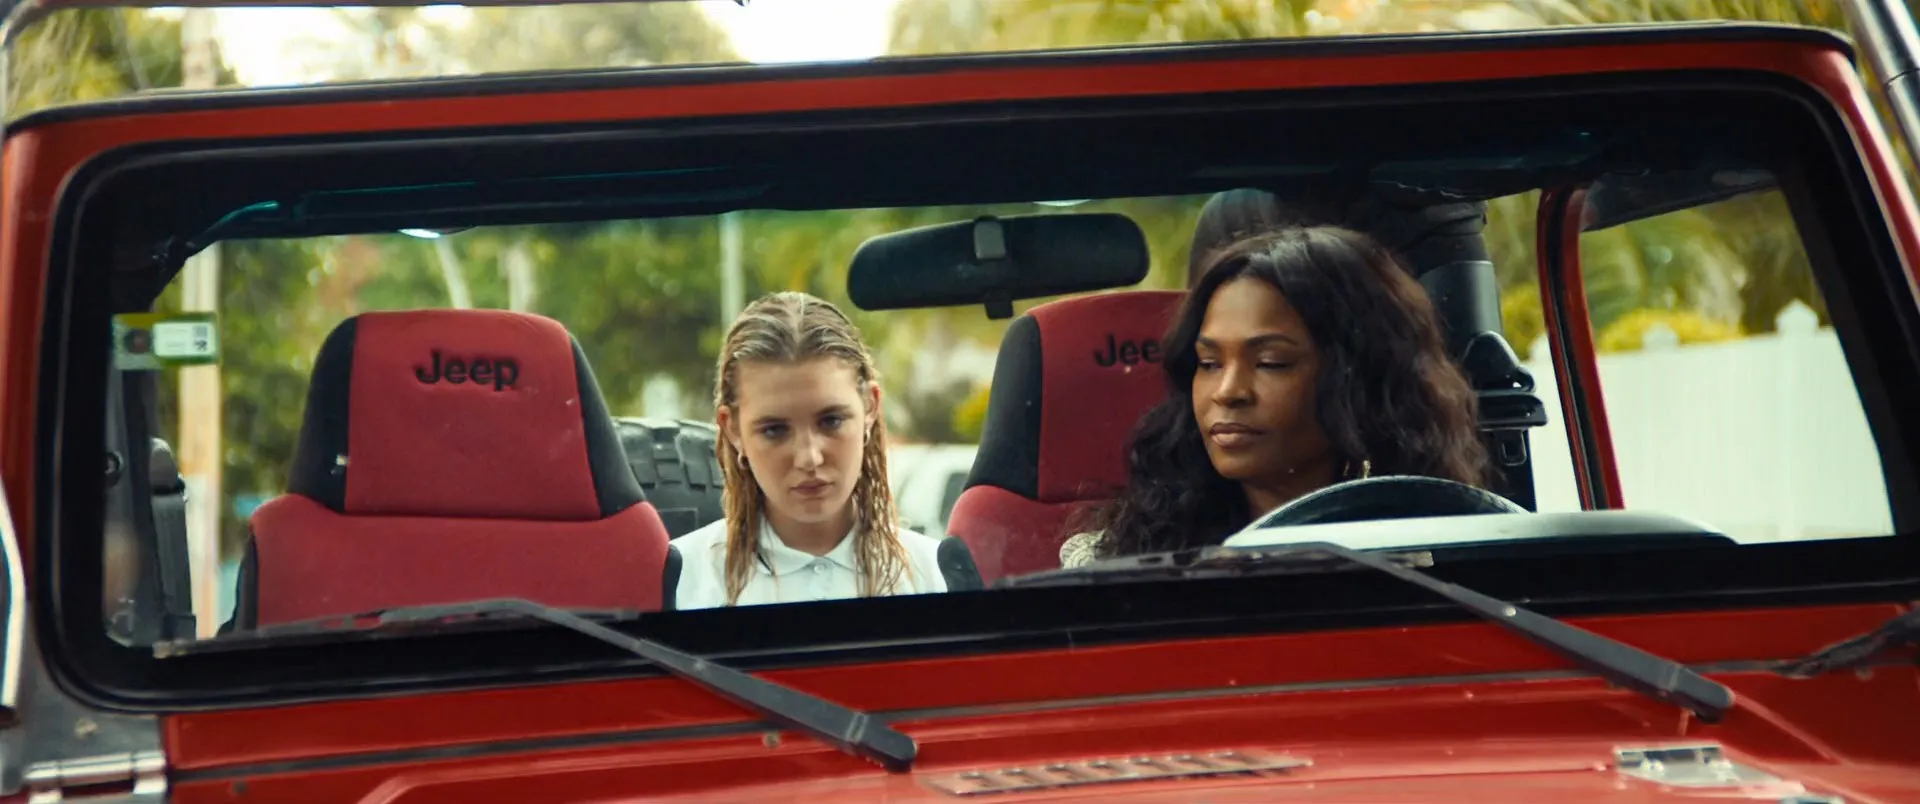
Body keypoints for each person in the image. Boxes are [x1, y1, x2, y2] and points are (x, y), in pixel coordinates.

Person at [1059, 225, 1492, 567]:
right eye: (1209, 363)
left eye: (1271, 363)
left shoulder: (1454, 546)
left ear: (1360, 380)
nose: (1228, 392)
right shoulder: (1119, 562)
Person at [669, 291, 951, 609]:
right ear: (732, 428)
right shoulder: (682, 582)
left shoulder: (935, 576)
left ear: (870, 406)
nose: (809, 458)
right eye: (774, 430)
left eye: (831, 421)